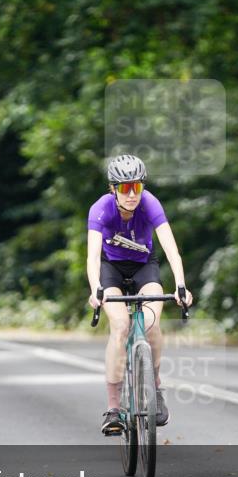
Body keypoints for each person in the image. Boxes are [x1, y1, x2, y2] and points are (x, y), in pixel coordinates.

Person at [86, 154, 193, 435]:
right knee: (120, 326)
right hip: (112, 270)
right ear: (113, 189)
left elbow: (171, 248)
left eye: (137, 187)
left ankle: (154, 387)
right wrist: (95, 288)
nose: (132, 194)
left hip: (145, 267)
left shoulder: (150, 204)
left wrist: (181, 285)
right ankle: (113, 408)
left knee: (151, 322)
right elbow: (93, 256)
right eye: (124, 188)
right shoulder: (100, 209)